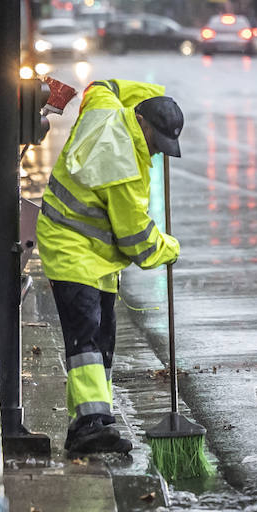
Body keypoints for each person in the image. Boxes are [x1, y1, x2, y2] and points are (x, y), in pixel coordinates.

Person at [36, 79, 183, 455]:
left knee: (102, 339)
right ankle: (89, 425)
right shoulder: (126, 170)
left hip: (92, 256)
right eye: (156, 144)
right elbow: (138, 243)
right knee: (85, 338)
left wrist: (152, 92)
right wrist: (170, 248)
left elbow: (103, 85)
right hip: (71, 249)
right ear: (144, 125)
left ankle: (95, 420)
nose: (156, 153)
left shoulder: (103, 109)